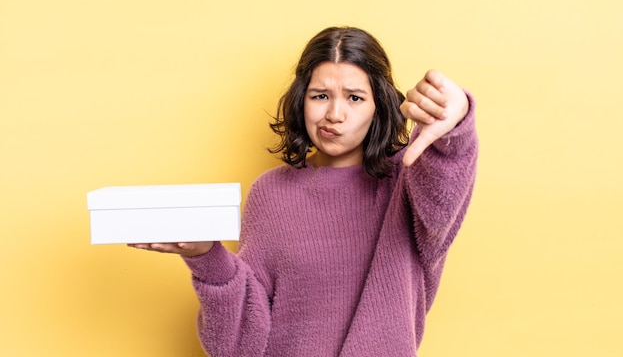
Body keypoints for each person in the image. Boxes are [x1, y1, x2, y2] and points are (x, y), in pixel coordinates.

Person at [129, 26, 478, 356]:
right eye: (320, 95)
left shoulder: (408, 183)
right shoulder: (270, 193)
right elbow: (238, 345)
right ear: (301, 100)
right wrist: (206, 257)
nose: (334, 114)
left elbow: (445, 183)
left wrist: (457, 117)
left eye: (355, 97)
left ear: (378, 107)